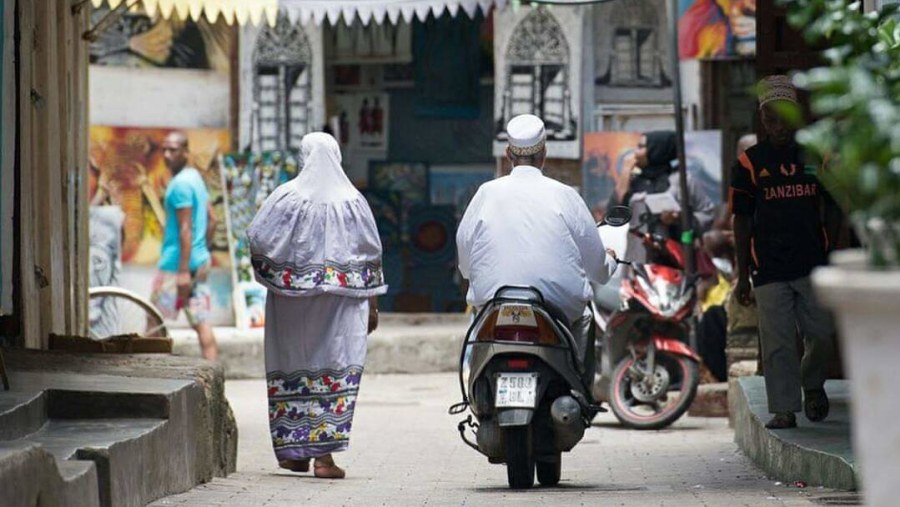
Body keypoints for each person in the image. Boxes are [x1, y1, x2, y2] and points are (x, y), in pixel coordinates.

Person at [247, 132, 386, 479]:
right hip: (342, 305)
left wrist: (282, 273)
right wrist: (372, 305)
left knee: (292, 365)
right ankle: (323, 459)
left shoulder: (286, 197)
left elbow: (258, 237)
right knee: (334, 366)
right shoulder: (353, 200)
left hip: (291, 304)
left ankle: (294, 453)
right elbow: (372, 254)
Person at [456, 114, 618, 388]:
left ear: (508, 154)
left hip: (494, 301)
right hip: (557, 306)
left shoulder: (487, 193)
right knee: (586, 317)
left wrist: (470, 274)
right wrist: (609, 262)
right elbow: (597, 267)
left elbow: (464, 248)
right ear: (544, 153)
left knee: (479, 320)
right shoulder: (565, 195)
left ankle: (477, 387)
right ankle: (580, 393)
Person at [730, 75, 835, 429]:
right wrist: (742, 273)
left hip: (812, 263)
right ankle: (785, 408)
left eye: (783, 118)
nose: (777, 126)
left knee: (820, 333)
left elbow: (834, 205)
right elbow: (741, 220)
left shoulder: (815, 155)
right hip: (769, 266)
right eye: (770, 118)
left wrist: (831, 250)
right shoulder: (749, 163)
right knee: (776, 344)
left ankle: (813, 384)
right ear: (762, 120)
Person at [150, 132, 218, 360]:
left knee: (153, 325)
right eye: (164, 149)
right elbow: (213, 219)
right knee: (201, 324)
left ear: (186, 152)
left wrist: (182, 272)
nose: (167, 155)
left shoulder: (179, 185)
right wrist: (202, 251)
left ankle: (146, 384)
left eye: (173, 150)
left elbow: (185, 229)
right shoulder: (195, 177)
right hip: (198, 264)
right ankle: (216, 383)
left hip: (175, 268)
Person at [612, 131, 715, 263]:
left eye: (641, 147)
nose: (635, 153)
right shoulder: (633, 181)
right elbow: (618, 210)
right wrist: (626, 171)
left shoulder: (682, 180)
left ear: (657, 150)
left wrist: (679, 219)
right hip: (639, 257)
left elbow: (707, 212)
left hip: (676, 256)